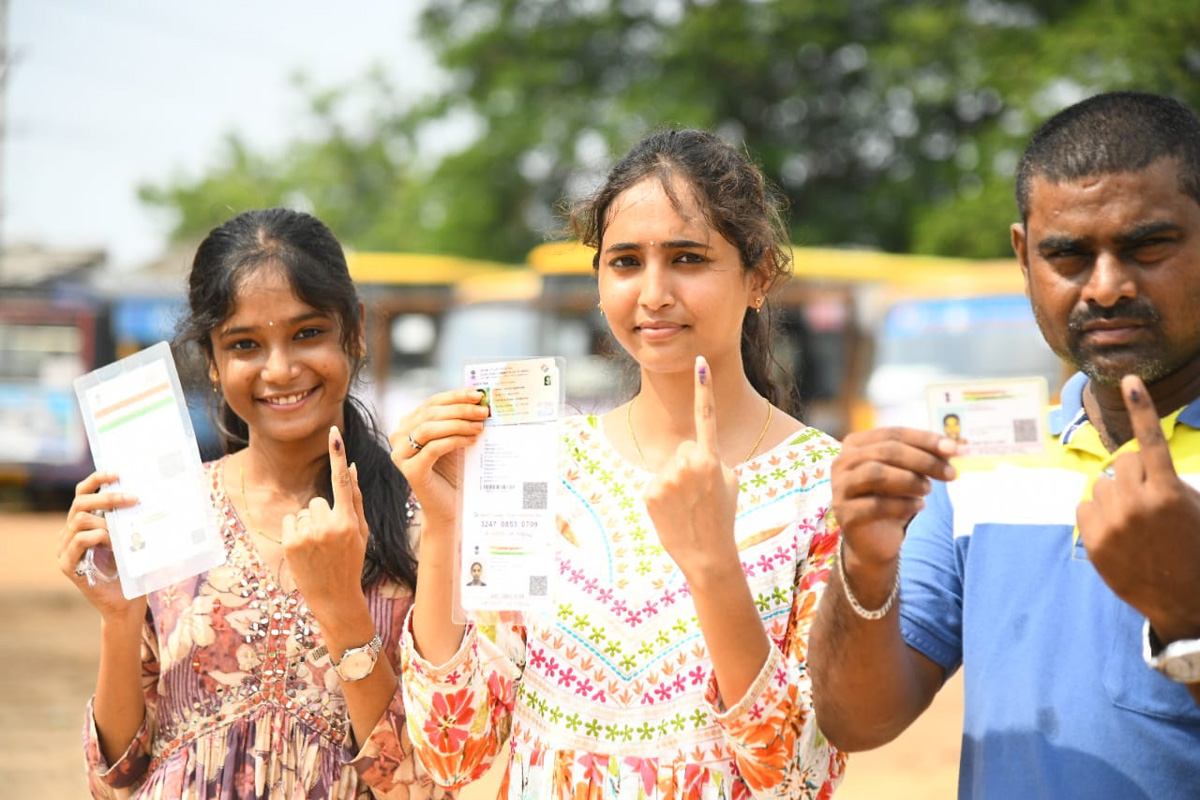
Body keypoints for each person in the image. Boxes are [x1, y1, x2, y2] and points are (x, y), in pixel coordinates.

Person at [390, 129, 846, 798]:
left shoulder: (825, 487)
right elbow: (455, 749)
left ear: (759, 277)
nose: (654, 293)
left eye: (687, 259)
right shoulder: (543, 465)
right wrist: (443, 526)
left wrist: (715, 564)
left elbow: (798, 773)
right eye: (626, 262)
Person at [810, 91, 1200, 797]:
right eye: (1068, 255)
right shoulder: (979, 467)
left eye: (1148, 246)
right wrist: (863, 561)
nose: (1106, 288)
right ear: (1024, 257)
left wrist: (1187, 616)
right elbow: (856, 722)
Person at [57, 208, 449, 798]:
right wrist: (120, 618)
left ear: (356, 331)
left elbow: (421, 783)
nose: (281, 369)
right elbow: (117, 779)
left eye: (307, 333)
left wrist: (343, 608)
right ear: (212, 363)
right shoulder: (166, 510)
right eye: (245, 345)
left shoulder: (424, 523)